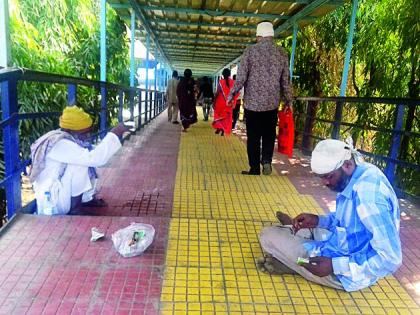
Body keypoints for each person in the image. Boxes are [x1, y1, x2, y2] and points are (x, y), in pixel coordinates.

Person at [258, 139, 402, 292]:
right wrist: (319, 221)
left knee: (268, 235)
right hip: (344, 240)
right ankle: (298, 236)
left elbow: (391, 259)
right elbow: (348, 221)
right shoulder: (361, 172)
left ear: (346, 165)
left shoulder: (369, 197)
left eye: (328, 176)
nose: (324, 183)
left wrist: (334, 266)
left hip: (346, 272)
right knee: (308, 230)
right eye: (321, 177)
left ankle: (297, 265)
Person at [29, 106, 128, 215]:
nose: (88, 136)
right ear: (69, 130)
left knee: (87, 155)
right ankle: (75, 209)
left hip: (58, 191)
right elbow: (96, 159)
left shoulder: (64, 136)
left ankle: (86, 199)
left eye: (88, 132)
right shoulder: (60, 144)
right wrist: (116, 132)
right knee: (82, 163)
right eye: (84, 133)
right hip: (53, 203)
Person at [227, 21, 292, 175]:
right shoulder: (281, 53)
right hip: (272, 103)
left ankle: (254, 168)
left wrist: (231, 95)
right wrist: (288, 101)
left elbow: (241, 78)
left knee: (254, 137)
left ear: (258, 36)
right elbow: (285, 81)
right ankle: (267, 161)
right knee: (269, 134)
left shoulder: (250, 51)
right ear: (271, 35)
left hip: (252, 104)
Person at [212, 68, 238, 136]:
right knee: (226, 117)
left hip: (220, 102)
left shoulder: (221, 82)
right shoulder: (233, 82)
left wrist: (214, 102)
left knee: (219, 115)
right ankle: (224, 130)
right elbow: (236, 93)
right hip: (228, 103)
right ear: (229, 74)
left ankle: (219, 128)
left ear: (223, 74)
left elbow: (217, 93)